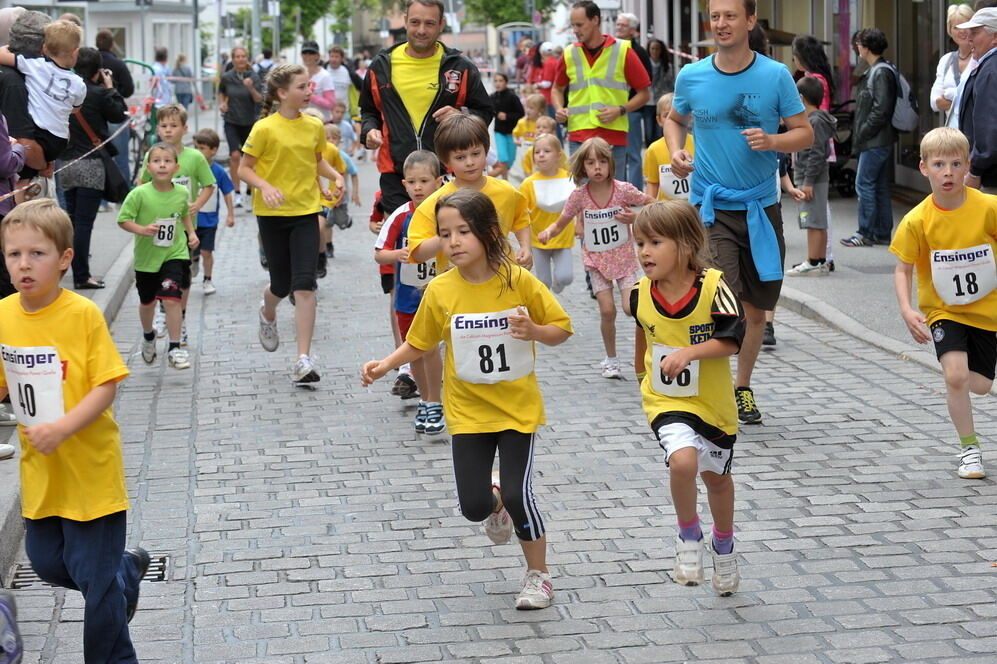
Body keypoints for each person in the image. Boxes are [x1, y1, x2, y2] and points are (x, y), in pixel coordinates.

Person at [361, 189, 573, 610]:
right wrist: (386, 364)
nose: (453, 241)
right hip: (468, 412)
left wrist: (534, 331)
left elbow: (561, 329)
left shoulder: (518, 280)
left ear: (490, 233)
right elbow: (419, 343)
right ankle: (493, 503)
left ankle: (538, 575)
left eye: (463, 231)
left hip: (517, 409)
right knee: (475, 507)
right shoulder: (440, 291)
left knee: (519, 493)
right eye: (444, 233)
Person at [0, 199, 150, 661]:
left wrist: (63, 427)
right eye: (13, 254)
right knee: (48, 563)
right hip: (43, 475)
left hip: (90, 473)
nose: (24, 264)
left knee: (97, 589)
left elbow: (107, 386)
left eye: (37, 253)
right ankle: (125, 572)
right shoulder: (4, 313)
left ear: (65, 259)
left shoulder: (81, 315)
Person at [665, 0, 812, 425]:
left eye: (731, 16)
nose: (721, 23)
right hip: (710, 210)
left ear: (749, 21)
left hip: (761, 208)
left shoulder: (775, 75)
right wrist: (677, 149)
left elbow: (803, 133)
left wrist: (772, 141)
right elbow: (675, 119)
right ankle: (711, 393)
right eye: (715, 16)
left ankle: (741, 387)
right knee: (720, 304)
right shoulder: (692, 75)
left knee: (755, 312)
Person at [630, 199, 746, 595]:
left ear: (684, 245)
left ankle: (724, 546)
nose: (644, 252)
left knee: (717, 480)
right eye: (640, 243)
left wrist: (689, 353)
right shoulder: (638, 292)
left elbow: (732, 341)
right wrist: (640, 373)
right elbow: (644, 328)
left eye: (654, 242)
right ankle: (688, 536)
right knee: (682, 461)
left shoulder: (714, 287)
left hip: (713, 404)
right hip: (666, 401)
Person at [889, 127, 997, 479]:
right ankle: (970, 449)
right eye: (939, 164)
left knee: (979, 385)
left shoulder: (988, 208)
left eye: (955, 164)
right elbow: (902, 269)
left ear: (967, 167)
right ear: (923, 168)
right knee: (955, 375)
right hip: (943, 311)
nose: (947, 172)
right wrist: (907, 309)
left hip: (987, 311)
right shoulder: (917, 220)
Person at [238, 64, 344, 385]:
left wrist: (335, 176)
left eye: (310, 85)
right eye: (302, 86)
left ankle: (303, 359)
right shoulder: (264, 129)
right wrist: (266, 187)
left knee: (305, 285)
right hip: (271, 215)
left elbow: (316, 161)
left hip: (305, 212)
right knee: (281, 285)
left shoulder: (314, 126)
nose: (309, 91)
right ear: (283, 93)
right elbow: (245, 169)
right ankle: (267, 310)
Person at [360, 0, 493, 214]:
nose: (421, 30)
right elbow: (368, 110)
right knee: (402, 241)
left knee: (447, 241)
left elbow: (485, 112)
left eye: (429, 23)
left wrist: (461, 115)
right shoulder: (382, 65)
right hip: (398, 174)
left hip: (448, 172)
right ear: (405, 22)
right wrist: (369, 130)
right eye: (415, 22)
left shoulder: (460, 67)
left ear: (441, 24)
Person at [538, 137, 655, 378]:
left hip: (623, 260)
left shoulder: (623, 189)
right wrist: (549, 232)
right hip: (596, 262)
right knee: (607, 310)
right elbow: (562, 221)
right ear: (583, 167)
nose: (597, 168)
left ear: (611, 163)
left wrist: (634, 218)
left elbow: (653, 205)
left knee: (631, 308)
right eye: (591, 163)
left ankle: (649, 353)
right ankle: (611, 359)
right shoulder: (579, 196)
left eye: (602, 161)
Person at [373, 150, 445, 434]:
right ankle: (426, 401)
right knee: (416, 350)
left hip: (439, 295)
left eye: (424, 181)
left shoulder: (446, 211)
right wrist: (398, 254)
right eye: (412, 182)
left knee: (431, 349)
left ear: (439, 182)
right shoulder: (400, 216)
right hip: (407, 298)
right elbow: (379, 254)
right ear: (403, 185)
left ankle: (434, 401)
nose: (418, 187)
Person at [407, 113, 532, 274]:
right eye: (460, 157)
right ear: (446, 161)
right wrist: (448, 235)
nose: (470, 162)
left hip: (503, 279)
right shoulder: (436, 203)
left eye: (475, 153)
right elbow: (417, 253)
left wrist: (525, 247)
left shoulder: (506, 191)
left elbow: (520, 218)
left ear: (486, 151)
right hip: (455, 288)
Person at [139, 104, 217, 343]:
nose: (168, 130)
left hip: (184, 229)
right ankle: (164, 314)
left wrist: (197, 204)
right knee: (157, 275)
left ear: (185, 128)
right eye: (163, 126)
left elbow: (208, 184)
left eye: (173, 126)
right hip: (157, 229)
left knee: (181, 279)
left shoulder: (194, 157)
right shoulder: (151, 156)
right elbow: (142, 186)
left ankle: (179, 319)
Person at [119, 142, 199, 370]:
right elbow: (123, 219)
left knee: (172, 296)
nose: (162, 165)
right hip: (147, 259)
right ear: (148, 166)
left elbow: (184, 215)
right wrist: (142, 230)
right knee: (147, 302)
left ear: (176, 167)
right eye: (156, 161)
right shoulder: (139, 194)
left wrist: (191, 233)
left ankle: (175, 348)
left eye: (167, 161)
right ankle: (148, 336)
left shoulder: (182, 192)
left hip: (175, 253)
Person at [552, 1, 651, 178]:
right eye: (573, 25)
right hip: (579, 135)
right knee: (583, 198)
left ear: (595, 20)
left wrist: (620, 110)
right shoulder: (569, 53)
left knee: (614, 196)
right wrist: (559, 109)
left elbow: (645, 94)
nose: (575, 30)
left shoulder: (622, 50)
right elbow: (557, 89)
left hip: (612, 136)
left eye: (579, 25)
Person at [60, 47, 128, 290]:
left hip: (66, 162)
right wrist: (109, 86)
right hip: (90, 165)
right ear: (98, 71)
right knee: (84, 223)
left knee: (72, 221)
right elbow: (120, 114)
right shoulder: (99, 93)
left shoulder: (65, 89)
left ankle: (69, 271)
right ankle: (82, 276)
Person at [840, 28, 897, 248]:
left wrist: (862, 130)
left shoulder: (880, 72)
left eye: (859, 44)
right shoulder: (879, 69)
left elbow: (881, 109)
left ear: (866, 47)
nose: (857, 47)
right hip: (879, 139)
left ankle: (865, 232)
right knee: (879, 185)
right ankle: (881, 232)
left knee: (864, 183)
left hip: (874, 139)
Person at [0, 19, 85, 165]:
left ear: (44, 49)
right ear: (75, 52)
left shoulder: (33, 64)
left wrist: (12, 45)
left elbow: (2, 55)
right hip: (60, 139)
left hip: (38, 134)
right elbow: (75, 109)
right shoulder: (79, 83)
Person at [785, 76, 836, 277]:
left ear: (801, 97)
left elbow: (816, 153)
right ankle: (819, 259)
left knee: (813, 221)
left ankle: (814, 260)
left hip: (812, 179)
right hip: (813, 178)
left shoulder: (814, 121)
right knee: (817, 220)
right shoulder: (816, 120)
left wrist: (808, 182)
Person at [0, 10, 53, 180]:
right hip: (18, 181)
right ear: (43, 46)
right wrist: (43, 164)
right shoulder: (14, 81)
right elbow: (23, 141)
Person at [521, 134, 574, 293]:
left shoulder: (568, 178)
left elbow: (578, 203)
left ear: (558, 155)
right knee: (543, 281)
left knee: (566, 276)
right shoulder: (528, 183)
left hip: (563, 236)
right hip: (538, 239)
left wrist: (581, 224)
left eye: (546, 151)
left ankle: (558, 286)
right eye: (537, 152)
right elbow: (521, 212)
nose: (541, 155)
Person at [957, 7, 997, 194]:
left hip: (991, 177)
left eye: (975, 32)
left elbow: (989, 127)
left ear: (995, 36)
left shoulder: (991, 70)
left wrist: (975, 170)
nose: (969, 38)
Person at [217, 46, 263, 208]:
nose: (240, 59)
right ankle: (237, 193)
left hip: (250, 122)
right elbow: (222, 92)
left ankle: (250, 193)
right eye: (237, 56)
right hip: (231, 121)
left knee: (250, 159)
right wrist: (222, 104)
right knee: (235, 156)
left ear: (247, 58)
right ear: (233, 59)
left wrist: (250, 87)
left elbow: (259, 99)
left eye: (243, 56)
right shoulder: (228, 77)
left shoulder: (254, 76)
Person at [192, 129, 235, 295]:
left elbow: (226, 193)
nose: (198, 152)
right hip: (191, 219)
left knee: (206, 251)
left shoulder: (218, 171)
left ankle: (207, 279)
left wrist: (230, 215)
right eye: (196, 147)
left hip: (209, 220)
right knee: (192, 252)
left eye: (202, 148)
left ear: (214, 150)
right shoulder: (191, 168)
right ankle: (194, 261)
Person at [614, 12, 653, 190]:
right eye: (618, 24)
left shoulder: (638, 52)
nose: (618, 28)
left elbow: (647, 81)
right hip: (612, 111)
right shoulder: (612, 50)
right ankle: (617, 191)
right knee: (617, 154)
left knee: (633, 154)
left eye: (622, 25)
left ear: (632, 30)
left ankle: (634, 191)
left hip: (632, 110)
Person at [96, 29, 135, 183]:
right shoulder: (119, 64)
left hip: (97, 114)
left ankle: (103, 201)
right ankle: (124, 196)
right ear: (112, 45)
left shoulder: (92, 62)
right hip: (117, 115)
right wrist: (116, 92)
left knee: (101, 158)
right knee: (121, 158)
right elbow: (129, 89)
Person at [643, 93, 693, 201]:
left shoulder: (697, 143)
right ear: (659, 120)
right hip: (667, 211)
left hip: (695, 207)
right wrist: (649, 208)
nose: (672, 119)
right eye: (666, 116)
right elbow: (652, 182)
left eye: (676, 115)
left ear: (688, 118)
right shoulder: (653, 149)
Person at [931, 4, 976, 125]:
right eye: (956, 27)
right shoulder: (946, 60)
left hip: (976, 132)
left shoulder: (982, 58)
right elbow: (935, 102)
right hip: (953, 133)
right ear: (949, 30)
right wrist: (963, 99)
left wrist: (950, 94)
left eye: (965, 25)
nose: (961, 31)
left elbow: (980, 99)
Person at [490, 72, 524, 180]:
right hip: (499, 131)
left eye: (501, 81)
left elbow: (521, 113)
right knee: (503, 157)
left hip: (512, 132)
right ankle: (505, 180)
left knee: (511, 158)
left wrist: (507, 116)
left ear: (506, 82)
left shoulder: (512, 97)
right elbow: (489, 111)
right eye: (496, 81)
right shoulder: (492, 97)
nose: (498, 83)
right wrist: (496, 114)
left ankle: (505, 173)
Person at [645, 39, 673, 145]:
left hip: (661, 100)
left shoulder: (666, 66)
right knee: (648, 130)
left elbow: (670, 83)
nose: (655, 51)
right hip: (648, 101)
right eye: (652, 48)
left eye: (657, 49)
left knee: (659, 131)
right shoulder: (644, 64)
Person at [301, 40, 335, 120]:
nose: (307, 56)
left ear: (317, 56)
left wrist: (310, 96)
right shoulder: (298, 74)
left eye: (311, 53)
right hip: (303, 121)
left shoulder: (325, 76)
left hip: (322, 122)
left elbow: (331, 104)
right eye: (305, 53)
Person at [326, 45, 363, 115]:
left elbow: (363, 86)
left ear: (342, 58)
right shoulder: (324, 70)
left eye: (336, 56)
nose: (334, 59)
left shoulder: (349, 72)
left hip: (344, 113)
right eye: (332, 56)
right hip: (327, 112)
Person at [513, 94, 545, 172]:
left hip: (539, 153)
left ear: (540, 110)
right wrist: (516, 141)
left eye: (531, 108)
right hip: (525, 152)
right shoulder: (522, 122)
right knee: (527, 171)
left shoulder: (543, 123)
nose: (528, 110)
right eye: (527, 107)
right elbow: (515, 134)